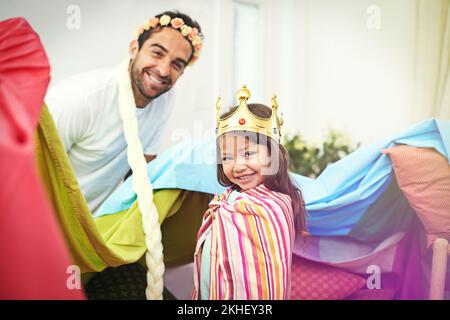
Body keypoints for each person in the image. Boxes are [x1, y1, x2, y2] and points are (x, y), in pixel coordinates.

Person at [45, 11, 203, 213]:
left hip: (94, 225)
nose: (163, 70)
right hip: (47, 219)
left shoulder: (164, 99)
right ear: (134, 48)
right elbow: (31, 168)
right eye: (157, 53)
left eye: (176, 64)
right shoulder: (80, 97)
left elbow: (141, 171)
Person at [192, 85, 308, 300]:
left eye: (248, 153)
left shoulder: (274, 206)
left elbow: (264, 280)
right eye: (227, 157)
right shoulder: (226, 201)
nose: (237, 166)